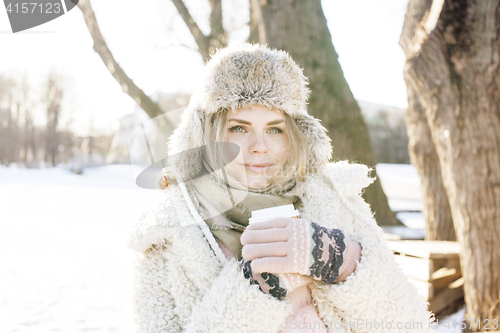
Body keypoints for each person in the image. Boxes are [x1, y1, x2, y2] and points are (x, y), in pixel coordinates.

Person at [128, 43, 433, 333]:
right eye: (238, 128)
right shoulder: (166, 235)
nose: (260, 146)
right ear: (206, 135)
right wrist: (256, 286)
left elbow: (409, 323)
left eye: (275, 129)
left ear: (297, 135)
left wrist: (342, 261)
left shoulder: (337, 201)